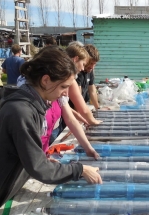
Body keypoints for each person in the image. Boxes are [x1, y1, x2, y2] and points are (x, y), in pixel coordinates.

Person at [0, 47, 102, 207]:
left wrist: (40, 158)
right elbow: (38, 168)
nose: (65, 94)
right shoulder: (21, 112)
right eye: (63, 87)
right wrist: (79, 170)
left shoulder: (33, 105)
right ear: (45, 80)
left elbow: (25, 154)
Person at [75, 44, 100, 110]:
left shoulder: (90, 70)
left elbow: (92, 90)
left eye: (94, 64)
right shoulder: (78, 72)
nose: (92, 67)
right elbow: (77, 97)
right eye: (91, 63)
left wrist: (98, 108)